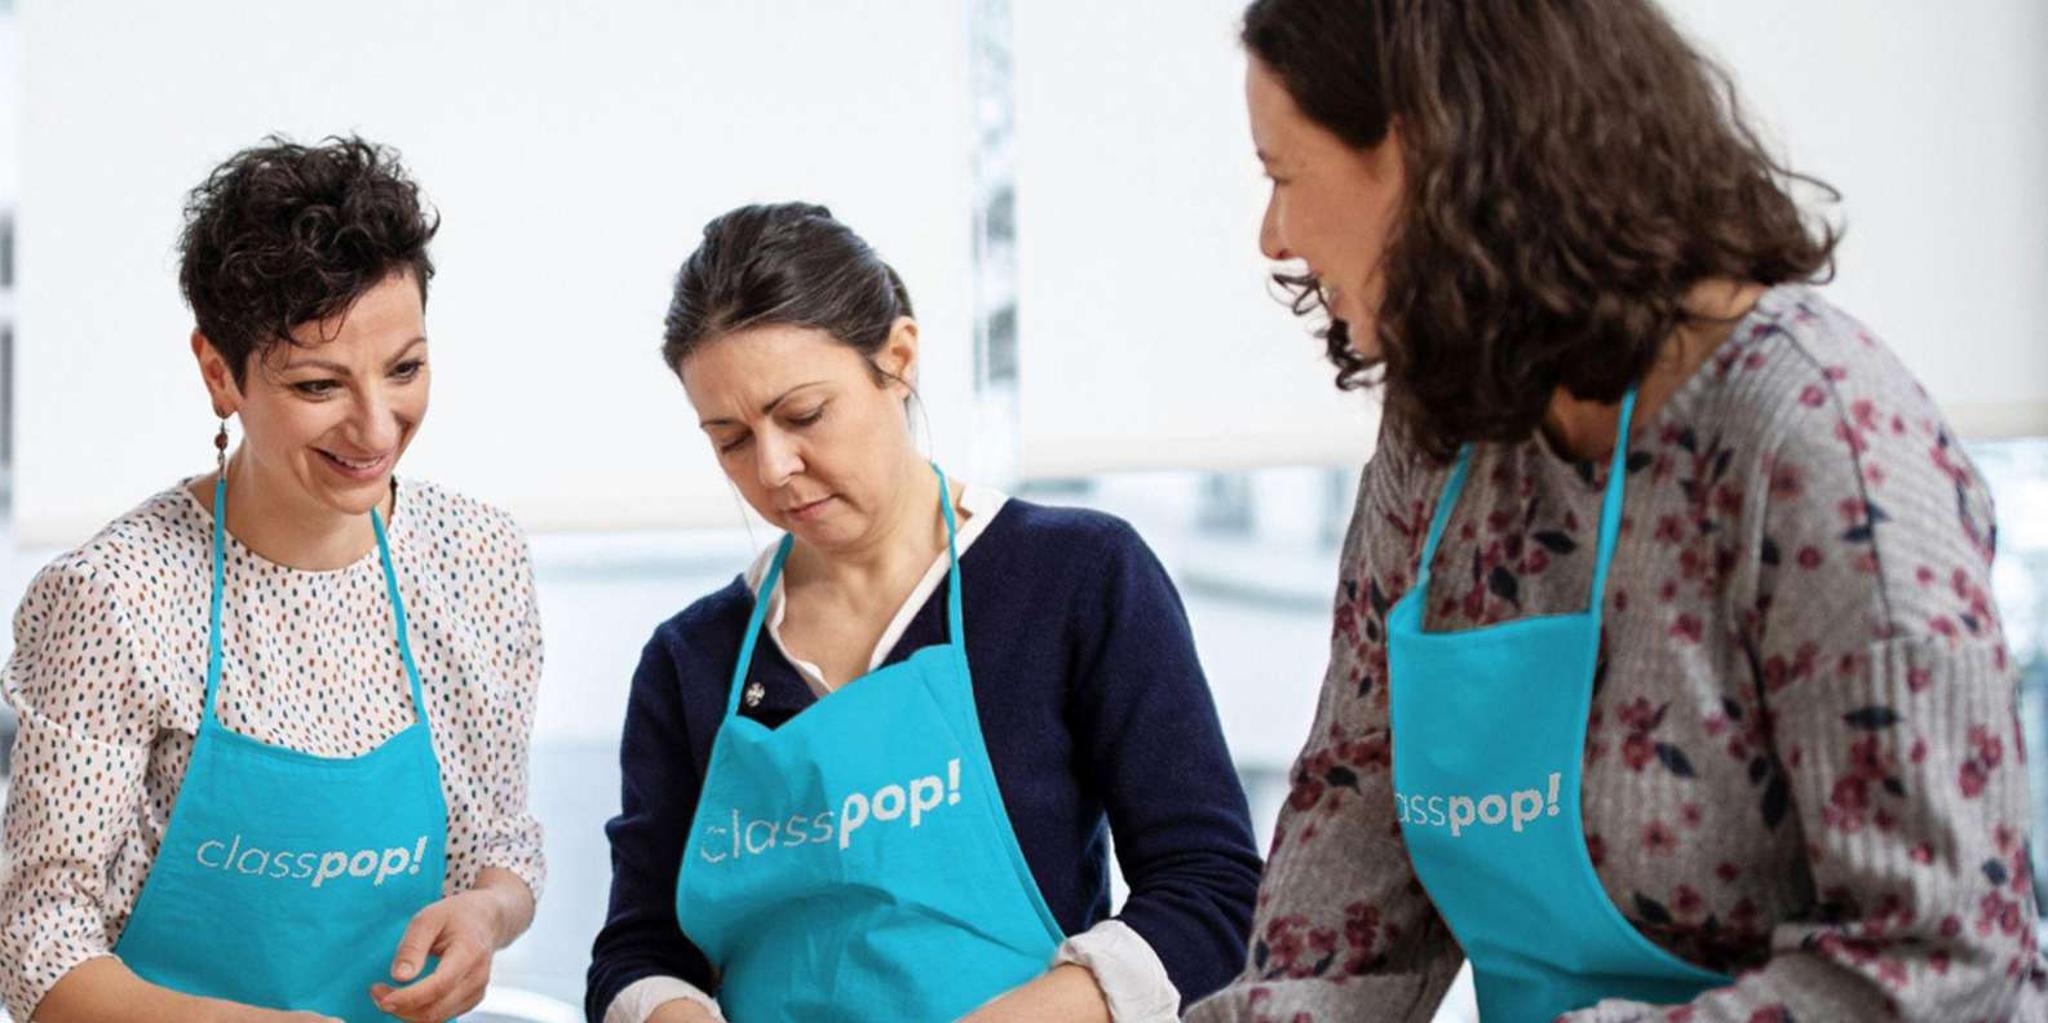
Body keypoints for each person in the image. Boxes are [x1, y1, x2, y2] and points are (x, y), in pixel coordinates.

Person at [1188, 1, 2047, 1019]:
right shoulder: (1439, 442)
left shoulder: (1825, 440)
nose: (1271, 237)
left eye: (1281, 175)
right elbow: (1333, 939)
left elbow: (1948, 961)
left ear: (1432, 149)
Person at [586, 203, 1262, 1023]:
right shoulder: (692, 659)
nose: (774, 467)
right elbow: (639, 949)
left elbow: (1211, 891)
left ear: (897, 360)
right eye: (729, 438)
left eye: (804, 415)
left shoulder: (1076, 577)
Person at [1, 136, 546, 1023]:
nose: (376, 426)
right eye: (319, 384)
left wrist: (488, 913)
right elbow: (38, 938)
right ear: (220, 372)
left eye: (404, 368)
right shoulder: (114, 600)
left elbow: (500, 844)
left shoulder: (478, 559)